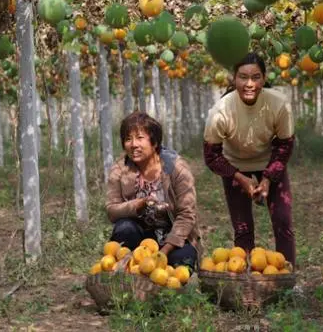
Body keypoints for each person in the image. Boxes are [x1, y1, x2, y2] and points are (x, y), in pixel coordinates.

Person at [203, 53, 296, 267]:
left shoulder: (279, 104)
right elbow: (211, 156)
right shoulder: (220, 111)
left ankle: (287, 276)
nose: (249, 84)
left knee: (283, 220)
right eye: (243, 77)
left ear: (264, 78)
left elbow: (285, 146)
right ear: (234, 79)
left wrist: (268, 178)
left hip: (269, 161)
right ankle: (245, 281)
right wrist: (240, 179)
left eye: (255, 77)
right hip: (234, 164)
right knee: (242, 228)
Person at [106, 111, 201, 270]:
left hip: (172, 237)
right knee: (124, 228)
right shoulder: (120, 169)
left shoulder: (177, 168)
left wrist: (162, 254)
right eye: (128, 139)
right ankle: (129, 276)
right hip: (140, 237)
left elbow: (186, 215)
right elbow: (112, 210)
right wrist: (136, 205)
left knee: (182, 260)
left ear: (154, 142)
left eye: (140, 138)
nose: (133, 144)